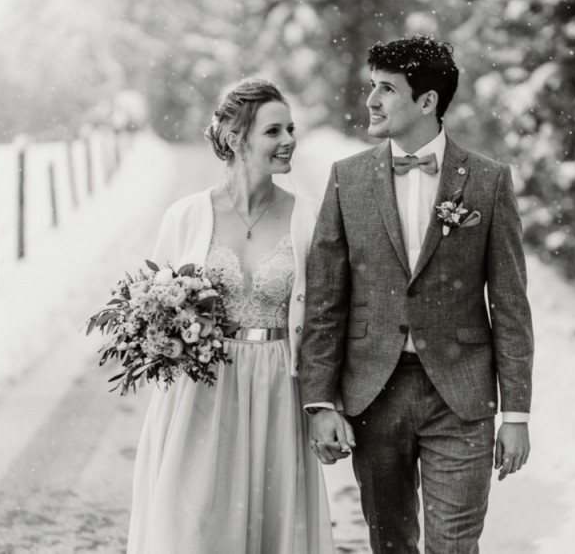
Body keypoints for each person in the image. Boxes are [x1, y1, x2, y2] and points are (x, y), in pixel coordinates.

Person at [299, 35, 534, 553]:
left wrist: (515, 414)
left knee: (453, 546)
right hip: (373, 394)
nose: (371, 101)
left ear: (427, 101)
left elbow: (512, 304)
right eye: (371, 87)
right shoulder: (347, 179)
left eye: (386, 88)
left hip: (462, 396)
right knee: (391, 544)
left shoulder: (489, 182)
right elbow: (325, 299)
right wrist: (320, 400)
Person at [127, 77, 335, 554]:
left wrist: (324, 403)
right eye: (274, 132)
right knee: (194, 527)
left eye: (291, 129)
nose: (289, 142)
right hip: (200, 392)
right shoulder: (185, 216)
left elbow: (326, 319)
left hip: (278, 386)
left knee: (272, 525)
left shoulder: (310, 217)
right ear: (236, 139)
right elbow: (153, 308)